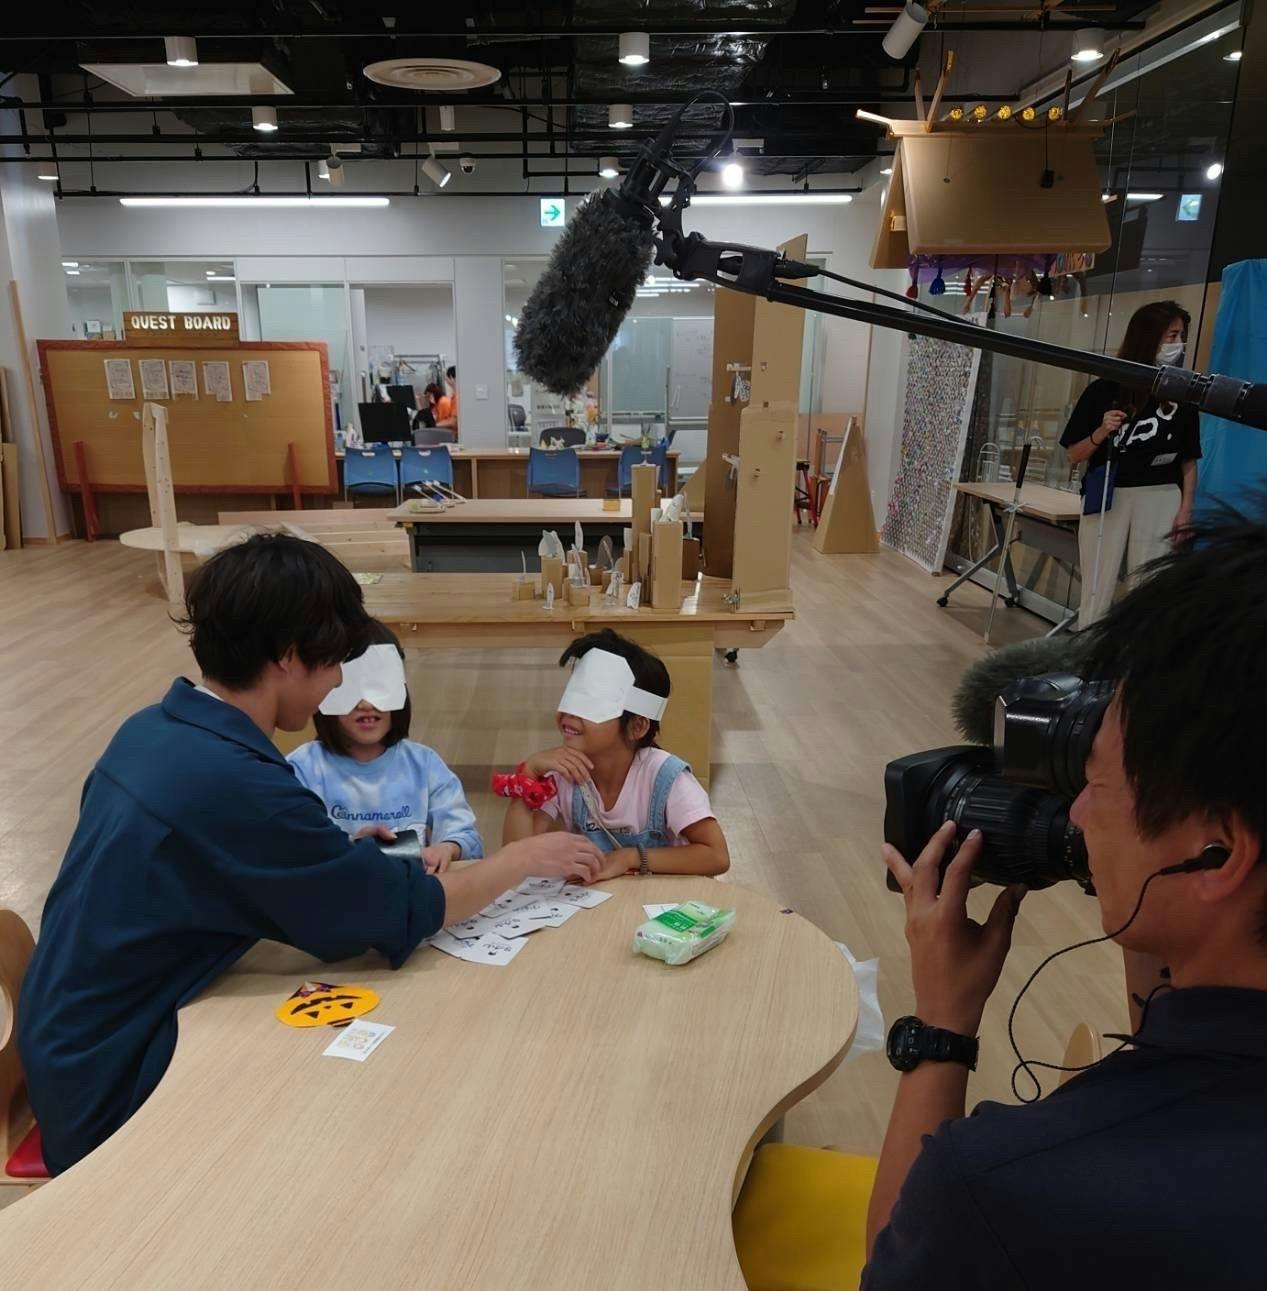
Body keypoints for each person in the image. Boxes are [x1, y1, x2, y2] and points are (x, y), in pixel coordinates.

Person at [18, 534, 601, 1175]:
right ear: (290, 656)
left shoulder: (152, 730)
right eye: (336, 663)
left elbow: (224, 863)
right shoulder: (237, 782)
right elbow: (401, 909)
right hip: (113, 1084)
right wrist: (521, 860)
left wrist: (328, 858)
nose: (340, 681)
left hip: (68, 1042)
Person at [863, 509, 1267, 1289]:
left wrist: (941, 1026)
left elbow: (888, 1261)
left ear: (1217, 852)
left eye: (1097, 784)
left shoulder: (1014, 1189)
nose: (1075, 812)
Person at [501, 628, 730, 881]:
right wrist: (529, 775)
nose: (570, 713)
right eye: (571, 698)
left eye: (591, 704)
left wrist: (629, 858)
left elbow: (717, 856)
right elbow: (515, 858)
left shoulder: (666, 778)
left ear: (637, 726)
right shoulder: (562, 774)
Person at [288, 620, 482, 875]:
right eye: (350, 686)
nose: (366, 704)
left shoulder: (424, 765)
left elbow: (467, 836)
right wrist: (350, 846)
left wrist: (448, 847)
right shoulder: (301, 769)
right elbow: (291, 848)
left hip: (412, 890)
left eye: (379, 685)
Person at [1060, 300, 1201, 626]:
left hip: (1162, 494)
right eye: (1171, 336)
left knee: (1150, 585)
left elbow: (1189, 459)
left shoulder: (1182, 393)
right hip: (1108, 493)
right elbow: (1073, 455)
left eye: (1181, 336)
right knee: (1097, 584)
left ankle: (1141, 652)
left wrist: (1186, 509)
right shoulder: (1104, 389)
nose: (1178, 344)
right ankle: (1089, 647)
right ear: (1148, 337)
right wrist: (1101, 432)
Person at [435, 365, 458, 430]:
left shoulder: (457, 397)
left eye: (446, 377)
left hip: (455, 434)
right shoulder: (455, 396)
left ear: (451, 377)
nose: (446, 380)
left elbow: (453, 422)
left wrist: (433, 425)